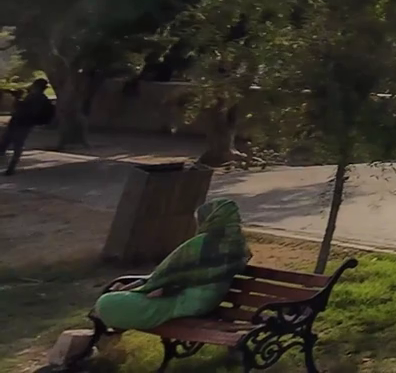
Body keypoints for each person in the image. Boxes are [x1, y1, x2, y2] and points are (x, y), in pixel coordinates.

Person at [93, 199, 250, 330]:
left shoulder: (202, 244)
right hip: (206, 302)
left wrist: (153, 288)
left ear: (210, 219)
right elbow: (188, 274)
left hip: (182, 303)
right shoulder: (239, 245)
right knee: (120, 300)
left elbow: (166, 274)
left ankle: (103, 333)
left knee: (107, 302)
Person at [2, 78, 54, 176]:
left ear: (37, 86)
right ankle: (10, 168)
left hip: (22, 123)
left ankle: (11, 168)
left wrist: (18, 100)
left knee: (14, 145)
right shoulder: (35, 97)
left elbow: (26, 110)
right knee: (8, 144)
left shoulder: (37, 98)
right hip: (20, 123)